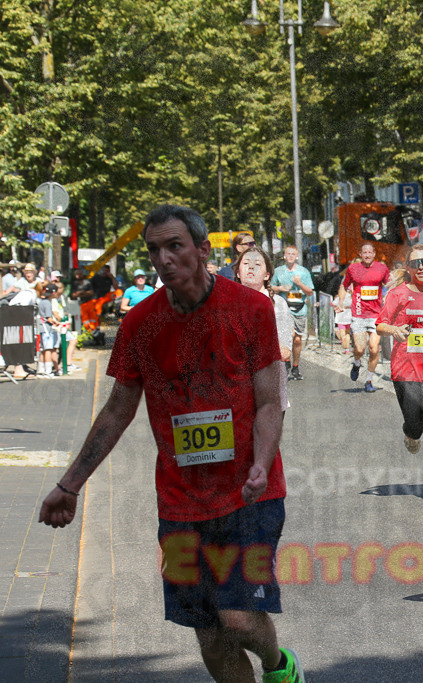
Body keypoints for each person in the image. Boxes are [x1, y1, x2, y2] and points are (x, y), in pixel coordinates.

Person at [37, 204, 303, 683]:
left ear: (202, 251)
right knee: (209, 632)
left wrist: (261, 464)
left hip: (251, 491)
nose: (163, 259)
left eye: (174, 246)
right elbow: (118, 408)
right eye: (154, 250)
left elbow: (269, 401)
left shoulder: (251, 309)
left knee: (237, 616)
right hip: (182, 502)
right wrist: (70, 485)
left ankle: (279, 665)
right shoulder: (140, 324)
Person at [377, 245, 423, 498]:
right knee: (415, 421)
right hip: (404, 368)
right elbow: (380, 325)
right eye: (415, 262)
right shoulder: (397, 294)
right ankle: (410, 433)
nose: (421, 267)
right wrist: (394, 330)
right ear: (407, 267)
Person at [236, 245, 294, 415]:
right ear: (238, 272)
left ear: (267, 275)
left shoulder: (277, 305)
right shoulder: (226, 305)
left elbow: (284, 352)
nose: (251, 268)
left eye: (257, 264)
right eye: (246, 263)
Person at [342, 243, 390, 392]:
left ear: (374, 253)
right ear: (360, 254)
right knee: (360, 348)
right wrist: (342, 301)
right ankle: (357, 363)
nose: (367, 255)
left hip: (376, 315)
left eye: (370, 252)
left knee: (374, 349)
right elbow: (345, 285)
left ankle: (369, 380)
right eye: (364, 252)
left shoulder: (382, 269)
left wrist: (387, 298)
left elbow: (389, 286)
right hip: (359, 315)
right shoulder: (353, 269)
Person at [269, 245, 314, 381]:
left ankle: (295, 366)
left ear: (297, 256)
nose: (290, 256)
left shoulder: (303, 272)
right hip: (283, 309)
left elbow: (310, 291)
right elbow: (270, 288)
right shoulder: (278, 271)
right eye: (288, 254)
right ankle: (286, 363)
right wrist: (280, 288)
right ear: (284, 256)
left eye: (293, 254)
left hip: (299, 308)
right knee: (287, 335)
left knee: (297, 339)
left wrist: (299, 284)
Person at [36, 283, 61, 377]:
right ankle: (48, 370)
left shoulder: (41, 301)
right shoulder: (47, 303)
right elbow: (49, 318)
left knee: (43, 350)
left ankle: (41, 369)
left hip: (41, 328)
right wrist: (56, 322)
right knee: (48, 350)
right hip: (46, 329)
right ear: (53, 293)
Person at [69, 269, 98, 333]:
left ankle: (93, 332)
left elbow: (91, 293)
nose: (78, 276)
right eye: (77, 274)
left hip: (88, 303)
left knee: (92, 319)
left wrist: (81, 293)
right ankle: (84, 332)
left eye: (80, 274)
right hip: (79, 305)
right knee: (82, 320)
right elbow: (73, 295)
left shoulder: (87, 283)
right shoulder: (74, 284)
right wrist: (82, 293)